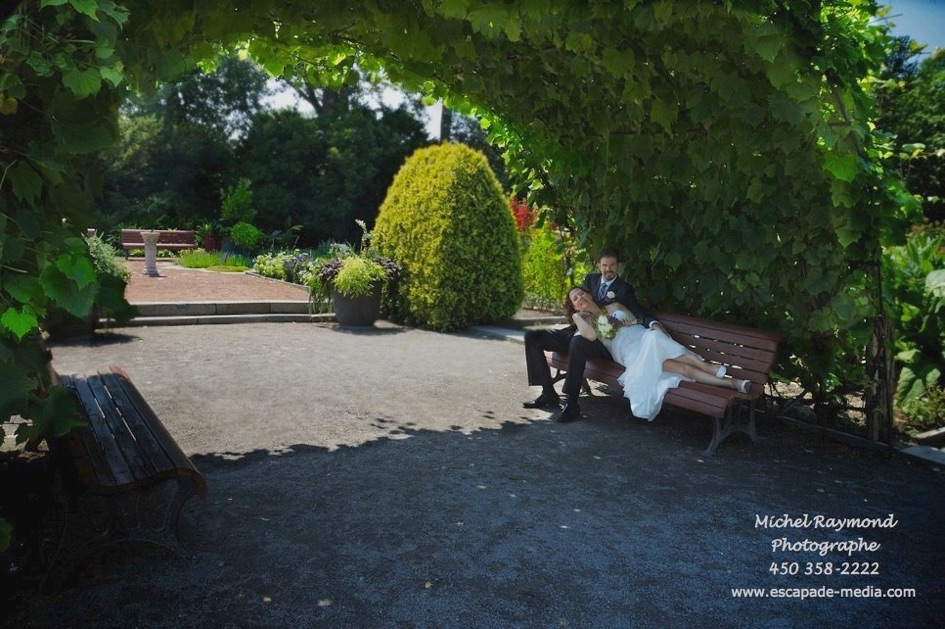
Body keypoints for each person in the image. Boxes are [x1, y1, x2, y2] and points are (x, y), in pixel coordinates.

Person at [565, 286, 750, 421]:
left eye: (581, 293)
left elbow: (636, 319)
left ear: (589, 294)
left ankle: (734, 382)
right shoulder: (586, 322)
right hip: (629, 352)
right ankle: (717, 373)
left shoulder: (614, 306)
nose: (580, 297)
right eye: (575, 299)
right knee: (682, 368)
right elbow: (589, 336)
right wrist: (576, 316)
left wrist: (632, 321)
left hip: (640, 335)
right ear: (575, 306)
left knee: (654, 337)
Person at [522, 247, 664, 422]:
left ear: (618, 266)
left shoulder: (624, 289)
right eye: (605, 265)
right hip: (579, 329)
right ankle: (548, 393)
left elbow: (638, 311)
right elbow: (577, 302)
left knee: (578, 343)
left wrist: (653, 323)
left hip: (603, 342)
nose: (608, 269)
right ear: (599, 266)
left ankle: (572, 403)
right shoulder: (591, 280)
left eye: (612, 265)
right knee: (532, 337)